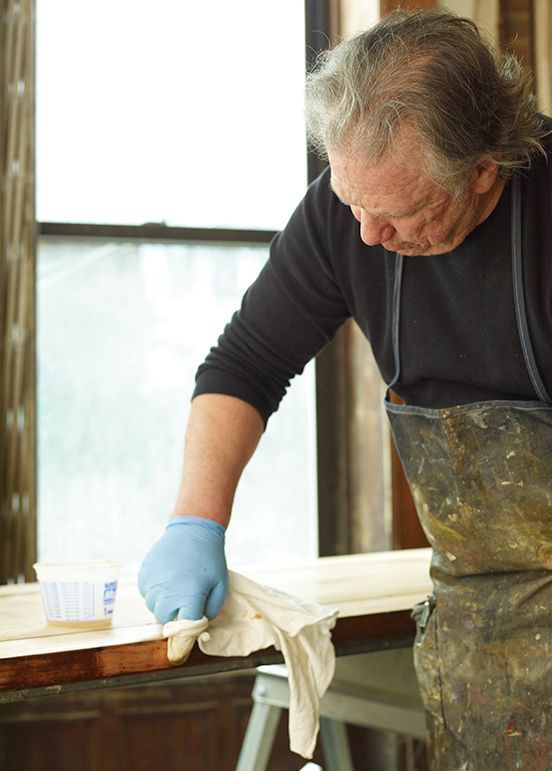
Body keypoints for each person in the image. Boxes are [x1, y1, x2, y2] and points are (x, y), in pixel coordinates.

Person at [138, 8, 552, 769]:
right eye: (354, 203)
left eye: (396, 214)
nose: (366, 236)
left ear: (484, 168)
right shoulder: (347, 211)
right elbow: (246, 364)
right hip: (478, 630)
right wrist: (195, 520)